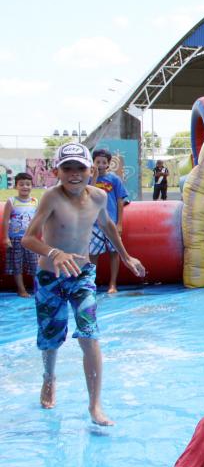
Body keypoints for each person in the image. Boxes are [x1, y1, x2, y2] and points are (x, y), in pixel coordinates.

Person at [22, 142, 146, 426]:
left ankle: (95, 405)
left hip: (82, 275)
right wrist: (55, 252)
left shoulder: (99, 198)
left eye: (80, 167)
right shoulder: (51, 198)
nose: (74, 174)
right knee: (51, 338)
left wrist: (126, 257)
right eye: (67, 168)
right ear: (57, 171)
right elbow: (28, 239)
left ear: (91, 170)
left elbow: (108, 226)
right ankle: (49, 377)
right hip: (50, 276)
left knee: (90, 334)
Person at [88, 148, 129, 294]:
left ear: (108, 164)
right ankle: (90, 283)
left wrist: (119, 223)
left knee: (114, 252)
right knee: (93, 254)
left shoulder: (114, 179)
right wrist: (94, 177)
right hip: (94, 223)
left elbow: (120, 201)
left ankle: (113, 284)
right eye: (97, 162)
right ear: (92, 163)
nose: (100, 164)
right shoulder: (88, 179)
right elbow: (88, 194)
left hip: (110, 222)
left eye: (103, 162)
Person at [3, 172, 39, 297]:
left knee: (34, 264)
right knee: (16, 265)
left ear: (32, 186)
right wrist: (5, 237)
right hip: (15, 238)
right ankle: (21, 289)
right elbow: (6, 220)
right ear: (16, 186)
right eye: (21, 184)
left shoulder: (35, 201)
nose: (25, 187)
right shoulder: (12, 201)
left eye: (28, 184)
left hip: (30, 239)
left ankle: (37, 288)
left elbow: (38, 219)